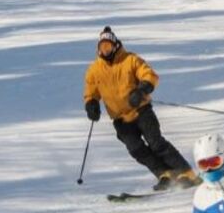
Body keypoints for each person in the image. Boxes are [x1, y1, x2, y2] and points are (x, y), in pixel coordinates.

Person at [84, 26, 202, 192]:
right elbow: (91, 92)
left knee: (156, 143)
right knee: (136, 149)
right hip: (120, 119)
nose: (105, 50)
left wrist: (142, 89)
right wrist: (91, 104)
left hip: (141, 111)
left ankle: (186, 172)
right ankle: (164, 173)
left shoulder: (130, 59)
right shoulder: (94, 70)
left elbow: (149, 75)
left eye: (108, 46)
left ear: (115, 45)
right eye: (102, 47)